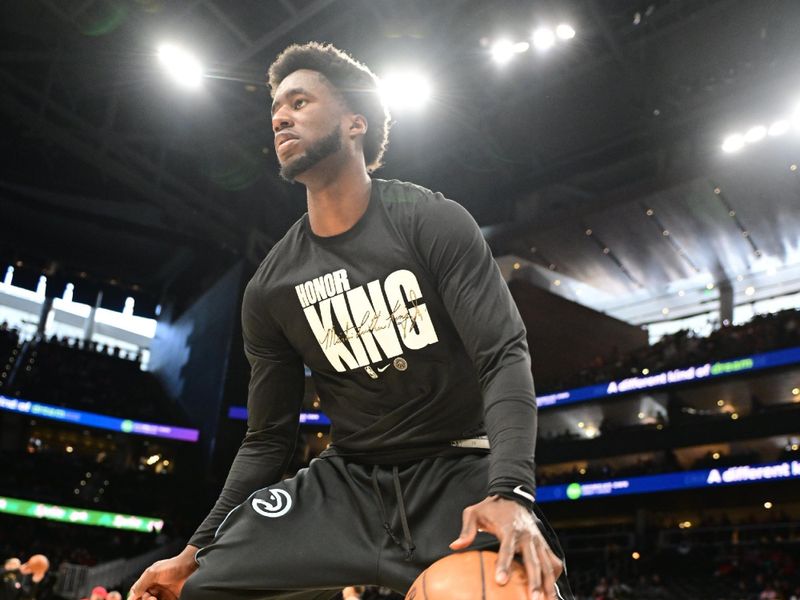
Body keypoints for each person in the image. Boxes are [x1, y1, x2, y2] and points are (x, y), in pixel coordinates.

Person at [130, 42, 572, 600]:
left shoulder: (431, 222)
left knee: (499, 592)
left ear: (355, 122)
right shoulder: (270, 287)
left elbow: (502, 355)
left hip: (457, 469)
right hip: (346, 485)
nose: (280, 117)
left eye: (299, 101)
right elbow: (268, 439)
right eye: (276, 111)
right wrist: (194, 551)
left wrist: (511, 491)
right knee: (196, 592)